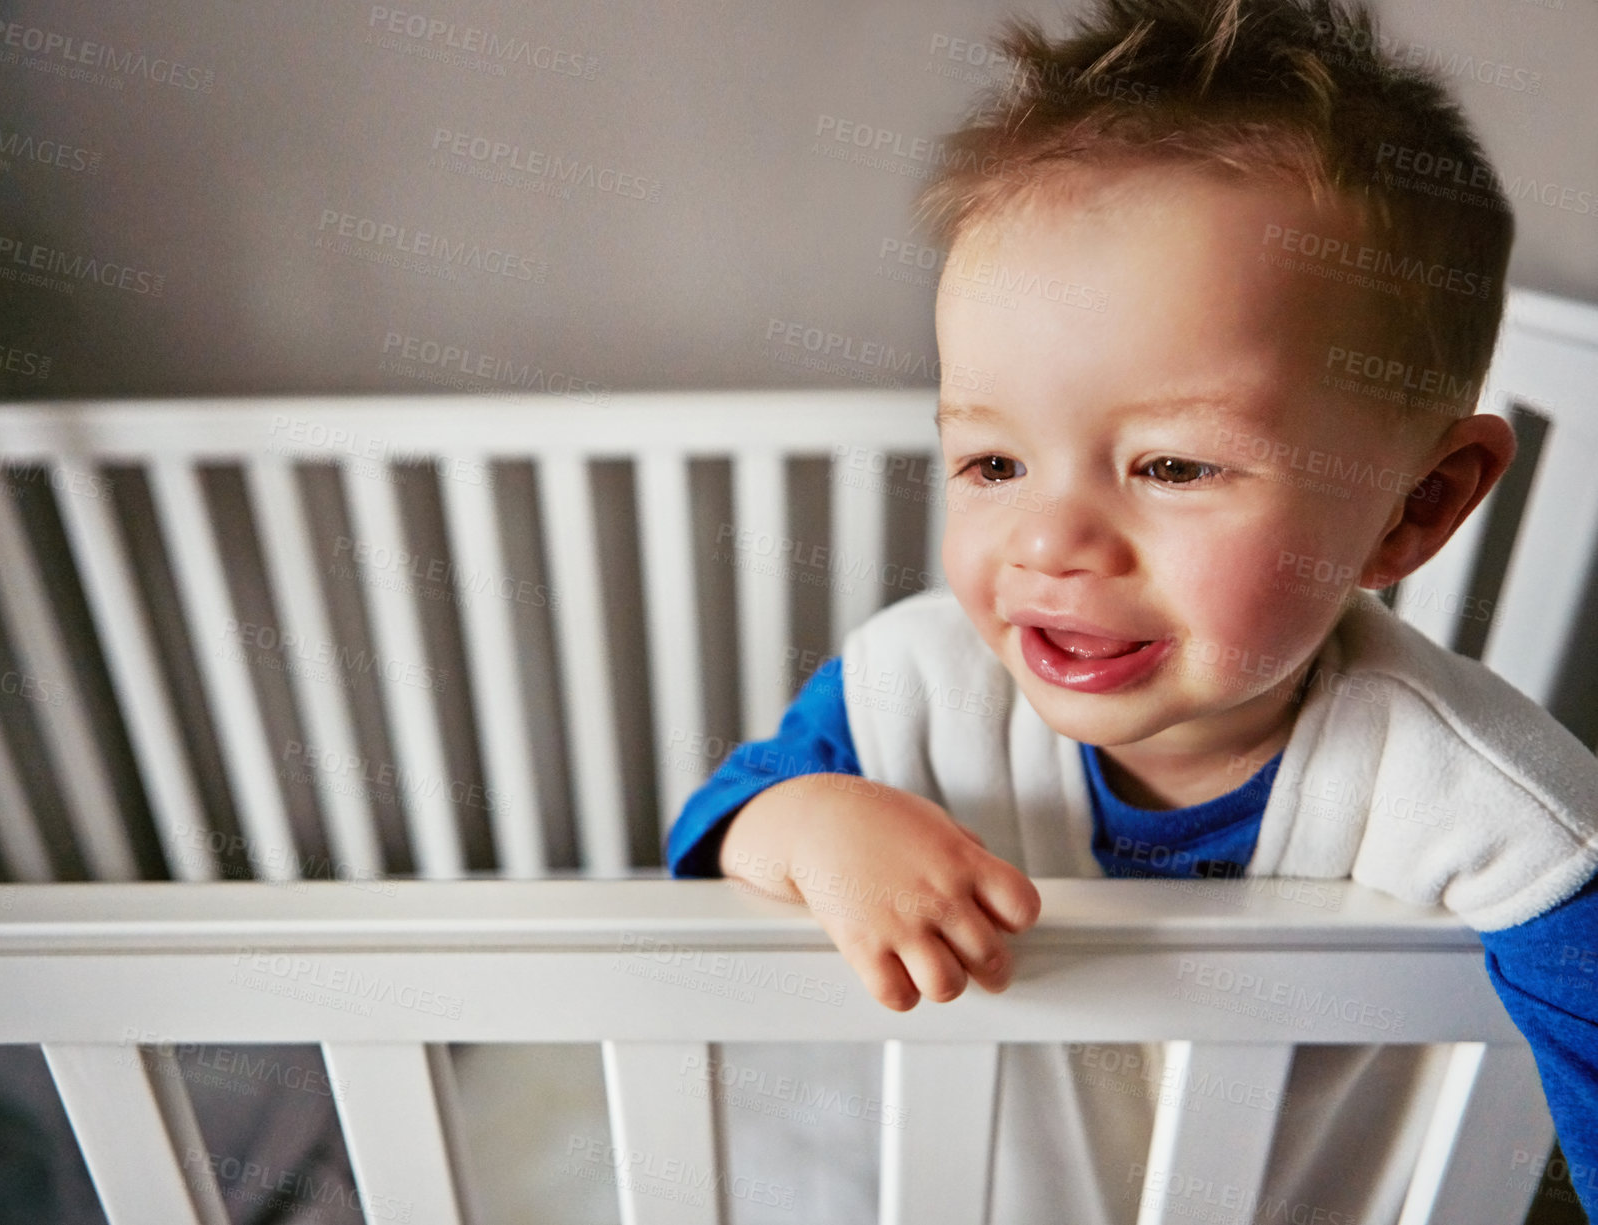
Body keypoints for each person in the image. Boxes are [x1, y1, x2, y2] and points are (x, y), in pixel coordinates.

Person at [665, 1, 1598, 1221]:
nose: (1050, 541)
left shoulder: (1479, 800)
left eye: (1170, 466)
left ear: (1411, 507)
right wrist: (812, 820)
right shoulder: (912, 686)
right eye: (992, 465)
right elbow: (707, 835)